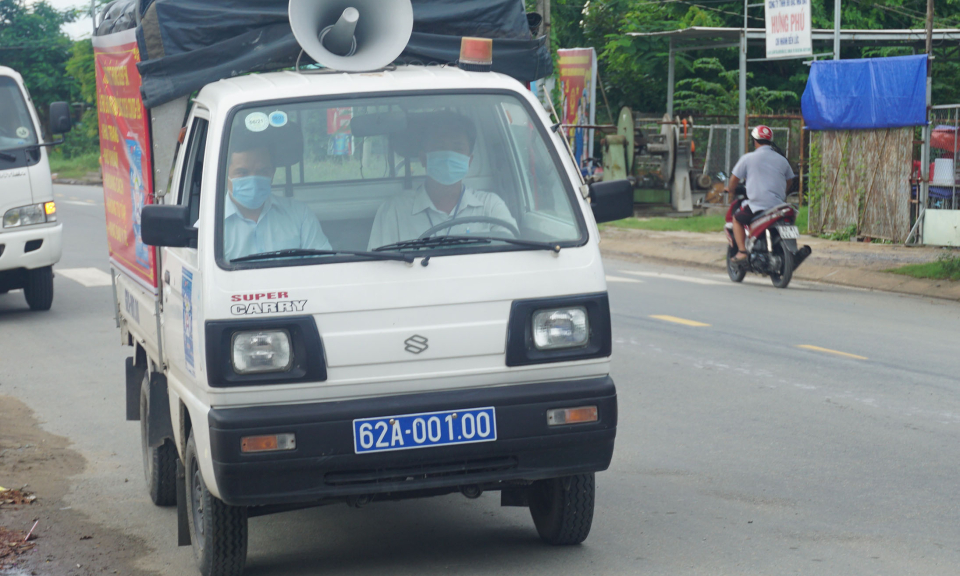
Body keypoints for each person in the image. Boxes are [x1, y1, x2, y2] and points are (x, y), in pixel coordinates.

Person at [367, 111, 517, 250]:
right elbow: (378, 268)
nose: (448, 156)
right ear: (423, 159)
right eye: (440, 147)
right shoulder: (394, 210)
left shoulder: (490, 207)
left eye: (457, 148)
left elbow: (512, 259)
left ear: (469, 160)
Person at [223, 133, 332, 261]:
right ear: (225, 173)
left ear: (273, 172)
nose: (253, 179)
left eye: (263, 171)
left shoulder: (300, 215)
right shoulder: (209, 226)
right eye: (242, 172)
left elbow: (324, 265)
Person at [726, 125, 795, 262]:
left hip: (757, 205)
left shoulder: (748, 158)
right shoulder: (782, 160)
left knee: (737, 219)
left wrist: (730, 190)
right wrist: (782, 193)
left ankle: (742, 252)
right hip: (779, 206)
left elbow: (734, 180)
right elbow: (790, 181)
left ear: (754, 141)